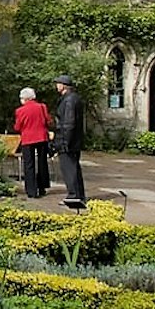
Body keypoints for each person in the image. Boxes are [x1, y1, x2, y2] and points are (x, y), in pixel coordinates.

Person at [51, 74, 86, 210]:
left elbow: (69, 123)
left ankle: (73, 195)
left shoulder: (69, 100)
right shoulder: (72, 98)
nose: (56, 86)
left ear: (63, 85)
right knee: (74, 168)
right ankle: (78, 195)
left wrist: (65, 142)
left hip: (68, 140)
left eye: (58, 83)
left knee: (69, 169)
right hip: (72, 140)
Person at [12, 86, 51, 199]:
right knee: (42, 162)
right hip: (42, 137)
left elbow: (18, 126)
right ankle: (42, 187)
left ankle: (31, 191)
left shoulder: (20, 110)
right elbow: (48, 121)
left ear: (24, 98)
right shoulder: (42, 107)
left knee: (29, 165)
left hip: (28, 139)